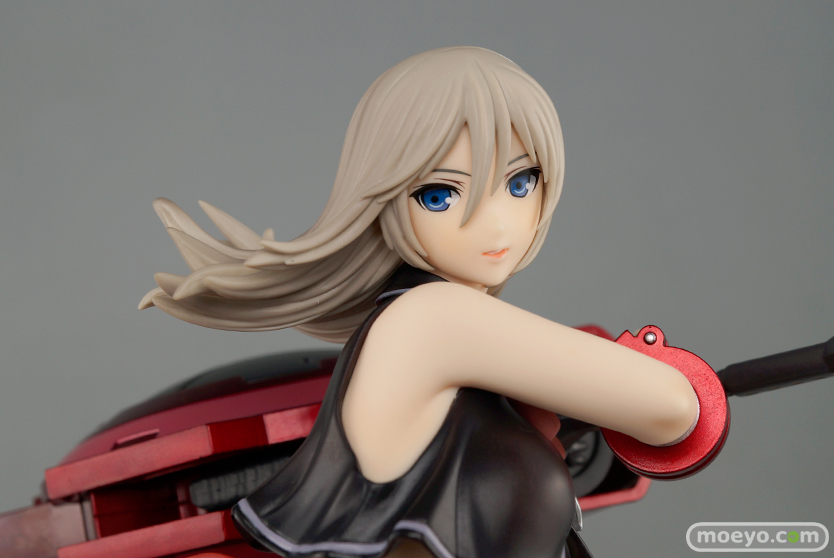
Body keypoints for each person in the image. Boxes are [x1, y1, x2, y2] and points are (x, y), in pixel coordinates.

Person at [141, 47, 699, 558]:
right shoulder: (435, 319)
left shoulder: (429, 326)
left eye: (520, 182)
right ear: (384, 200)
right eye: (440, 195)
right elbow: (672, 406)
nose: (494, 223)